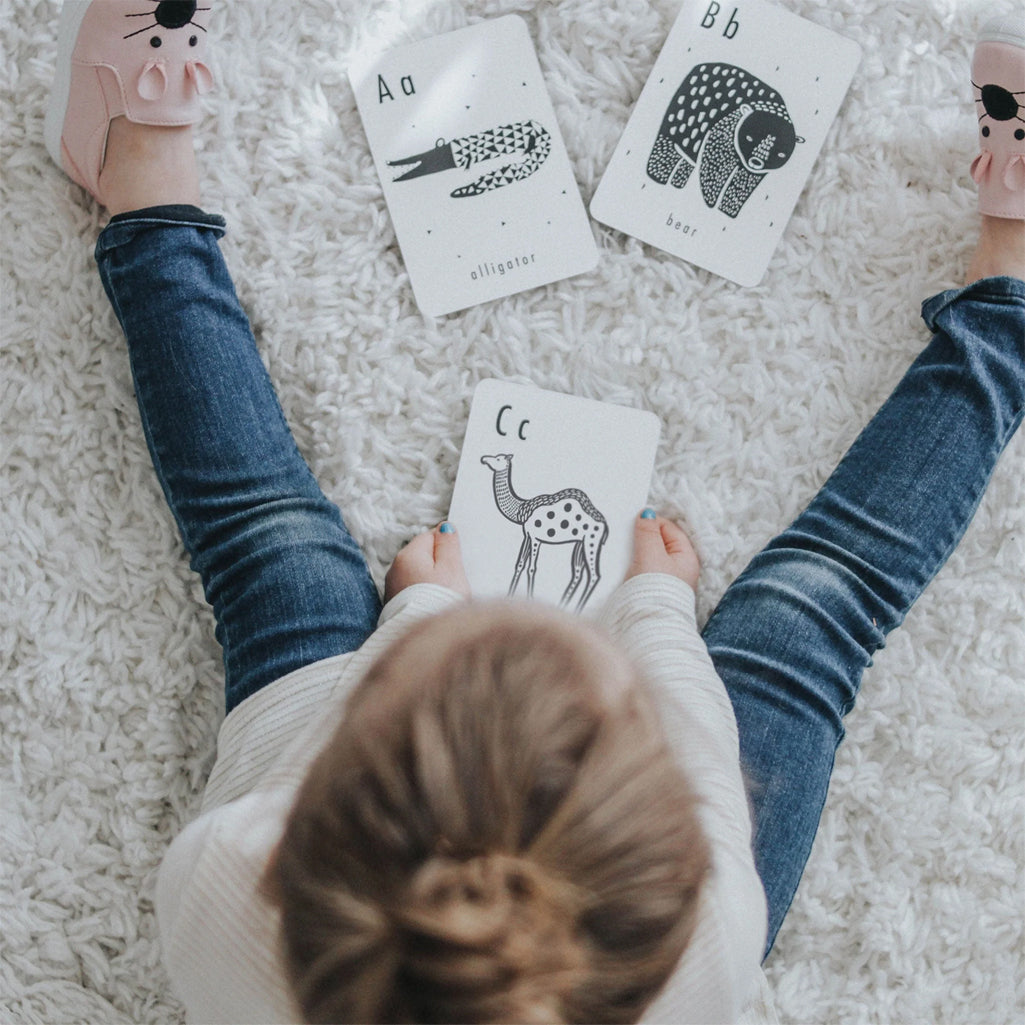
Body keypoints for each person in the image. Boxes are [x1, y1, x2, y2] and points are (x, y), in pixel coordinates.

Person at [45, 3, 1024, 1023]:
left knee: (271, 546)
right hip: (639, 947)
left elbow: (309, 756)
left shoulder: (231, 883)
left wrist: (416, 614)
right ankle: (1009, 296)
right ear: (673, 825)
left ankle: (140, 189)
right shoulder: (706, 925)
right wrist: (651, 603)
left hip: (324, 849)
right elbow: (692, 736)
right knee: (813, 614)